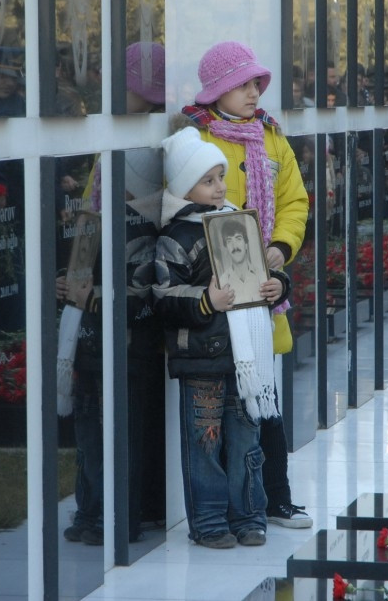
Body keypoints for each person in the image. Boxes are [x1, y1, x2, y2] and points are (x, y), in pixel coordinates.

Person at [176, 41, 313, 530]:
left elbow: (295, 201)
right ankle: (224, 512)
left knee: (262, 401)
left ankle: (275, 500)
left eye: (257, 83)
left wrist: (280, 248)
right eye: (243, 84)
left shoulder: (272, 138)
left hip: (258, 298)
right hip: (213, 301)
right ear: (217, 89)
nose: (254, 92)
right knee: (217, 412)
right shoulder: (193, 136)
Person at [154, 125, 290, 549]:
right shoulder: (175, 237)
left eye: (220, 177)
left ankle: (248, 516)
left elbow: (260, 271)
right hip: (202, 359)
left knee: (247, 441)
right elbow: (162, 295)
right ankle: (209, 522)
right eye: (207, 180)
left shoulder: (236, 220)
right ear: (183, 187)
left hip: (246, 360)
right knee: (205, 445)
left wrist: (278, 285)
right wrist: (206, 300)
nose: (218, 187)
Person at [215, 216, 262, 303]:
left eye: (238, 238)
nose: (235, 246)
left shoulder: (262, 276)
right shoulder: (222, 282)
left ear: (246, 244)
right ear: (226, 248)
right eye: (229, 241)